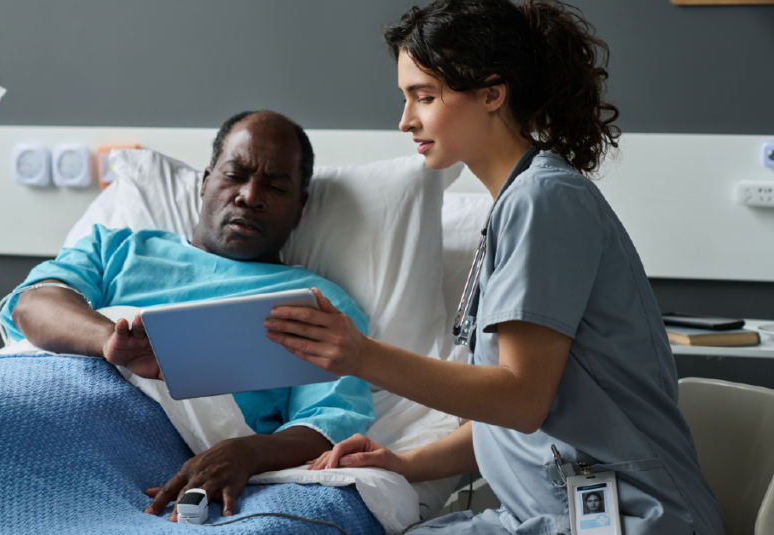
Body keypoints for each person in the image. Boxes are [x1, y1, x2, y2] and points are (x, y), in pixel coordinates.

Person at [264, 1, 724, 533]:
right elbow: (516, 423)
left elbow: (521, 400)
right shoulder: (517, 204)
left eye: (425, 96)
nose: (406, 119)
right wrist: (405, 464)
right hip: (543, 514)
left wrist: (361, 355)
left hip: (626, 519)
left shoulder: (544, 200)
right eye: (406, 97)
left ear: (491, 93)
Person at [2, 110, 374, 522]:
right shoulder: (116, 248)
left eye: (275, 185)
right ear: (205, 181)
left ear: (300, 208)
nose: (250, 196)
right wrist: (109, 340)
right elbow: (33, 304)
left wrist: (246, 451)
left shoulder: (318, 305)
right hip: (41, 409)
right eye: (235, 175)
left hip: (158, 458)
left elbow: (327, 424)